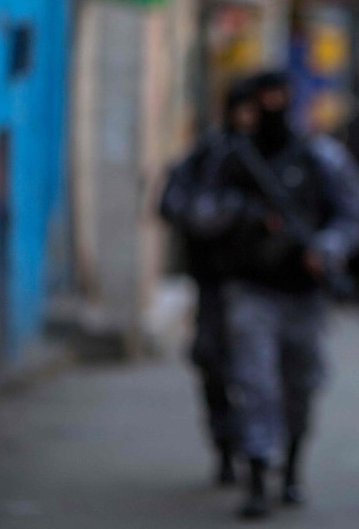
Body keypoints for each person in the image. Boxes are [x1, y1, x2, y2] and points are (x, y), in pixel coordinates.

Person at [191, 70, 359, 519]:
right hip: (249, 289)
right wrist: (248, 216)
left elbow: (352, 215)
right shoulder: (229, 157)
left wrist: (326, 248)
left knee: (301, 385)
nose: (268, 109)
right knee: (255, 384)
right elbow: (199, 212)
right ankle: (256, 476)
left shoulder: (317, 155)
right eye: (260, 99)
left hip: (303, 293)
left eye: (278, 98)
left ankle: (290, 470)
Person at [159, 77, 259, 486]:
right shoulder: (209, 155)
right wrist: (216, 215)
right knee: (213, 364)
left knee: (261, 374)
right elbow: (171, 202)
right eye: (245, 109)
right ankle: (224, 447)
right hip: (216, 283)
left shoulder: (285, 156)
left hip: (264, 285)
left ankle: (262, 455)